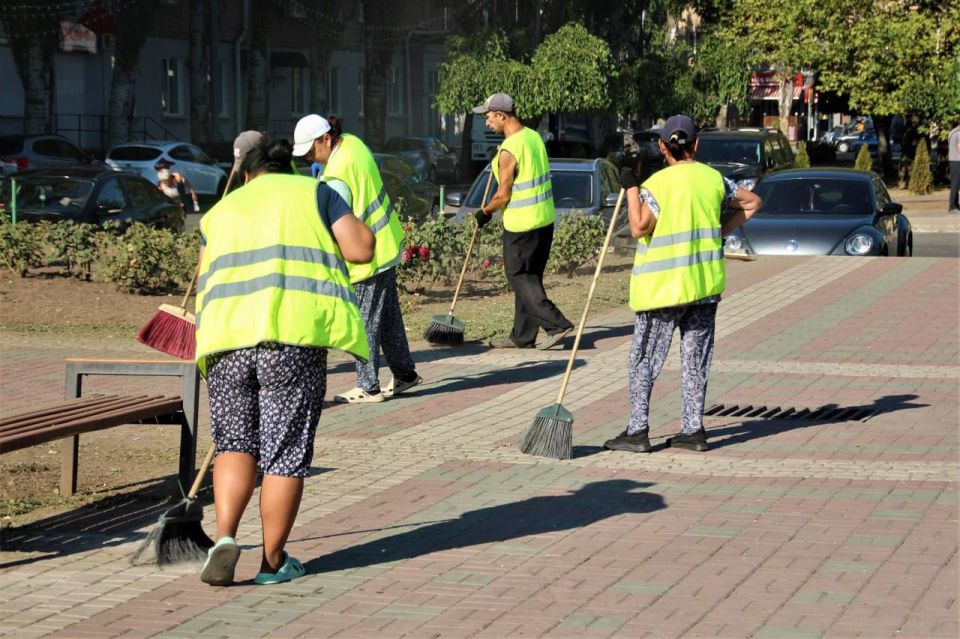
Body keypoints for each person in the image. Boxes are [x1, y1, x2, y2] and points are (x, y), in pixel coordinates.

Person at [194, 138, 374, 586]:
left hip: (226, 339)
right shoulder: (315, 193)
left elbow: (202, 274)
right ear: (288, 169)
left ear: (250, 174)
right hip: (290, 340)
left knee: (234, 443)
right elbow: (361, 249)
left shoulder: (221, 210)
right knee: (284, 453)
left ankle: (224, 539)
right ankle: (273, 563)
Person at [603, 115, 762, 454]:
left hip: (662, 289)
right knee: (696, 359)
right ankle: (693, 429)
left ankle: (638, 430)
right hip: (703, 287)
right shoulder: (714, 180)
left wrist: (631, 186)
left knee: (644, 359)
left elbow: (638, 227)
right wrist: (720, 231)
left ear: (662, 146)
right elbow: (752, 202)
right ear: (696, 144)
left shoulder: (657, 185)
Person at [292, 114, 422, 404]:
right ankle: (405, 374)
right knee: (386, 317)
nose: (310, 158)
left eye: (311, 151)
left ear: (326, 139)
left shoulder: (336, 174)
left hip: (366, 256)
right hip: (385, 242)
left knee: (365, 321)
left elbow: (336, 225)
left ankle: (368, 386)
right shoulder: (353, 143)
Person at [471, 93, 574, 350]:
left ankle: (557, 324)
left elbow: (503, 194)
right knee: (530, 278)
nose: (487, 122)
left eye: (489, 117)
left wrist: (484, 212)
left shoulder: (509, 149)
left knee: (517, 275)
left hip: (522, 224)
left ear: (502, 115)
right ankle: (522, 336)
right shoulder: (533, 137)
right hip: (544, 220)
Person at [948, 121, 960, 215]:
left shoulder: (952, 132)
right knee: (955, 185)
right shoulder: (959, 133)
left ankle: (955, 205)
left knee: (955, 184)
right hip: (957, 161)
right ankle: (952, 207)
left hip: (952, 160)